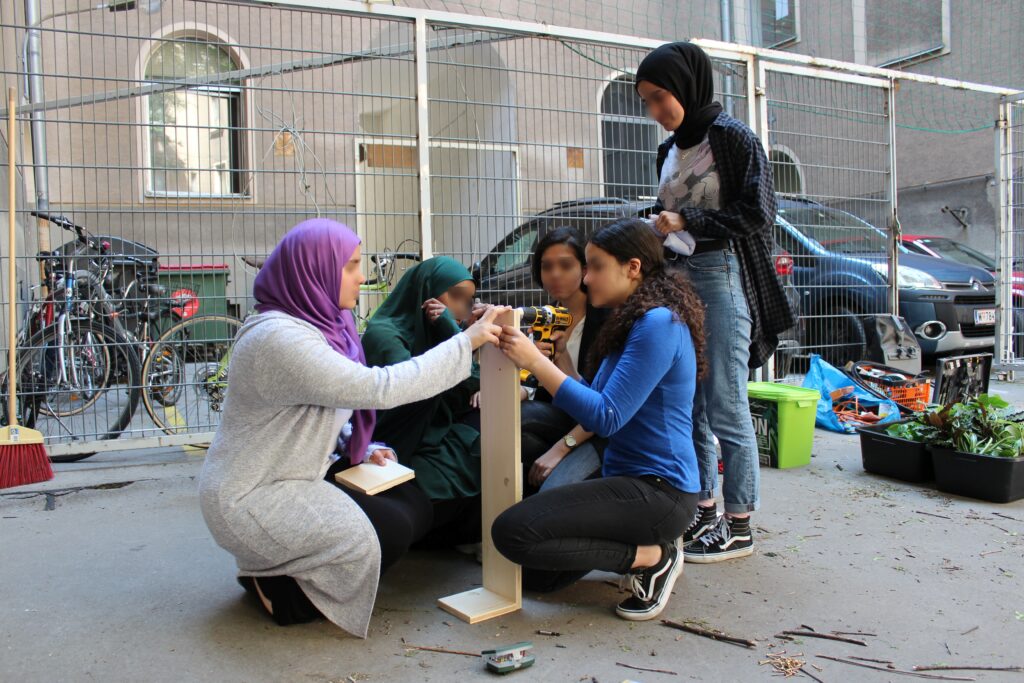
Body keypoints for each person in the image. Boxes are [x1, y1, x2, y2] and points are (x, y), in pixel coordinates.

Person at [198, 219, 504, 636]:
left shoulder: (323, 324)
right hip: (251, 494)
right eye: (351, 266)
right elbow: (379, 387)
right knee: (377, 540)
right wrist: (466, 341)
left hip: (294, 473)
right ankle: (275, 588)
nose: (362, 276)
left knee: (411, 506)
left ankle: (284, 559)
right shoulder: (278, 338)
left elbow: (321, 404)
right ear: (314, 270)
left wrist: (358, 442)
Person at [491, 218, 704, 621]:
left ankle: (652, 557)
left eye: (595, 267)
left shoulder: (659, 323)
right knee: (535, 575)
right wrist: (557, 360)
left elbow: (606, 417)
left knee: (511, 532)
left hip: (660, 491)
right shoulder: (632, 319)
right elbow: (590, 392)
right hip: (627, 481)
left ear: (633, 267)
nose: (586, 279)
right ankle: (640, 551)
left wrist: (534, 363)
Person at [635, 41, 795, 562]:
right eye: (648, 103)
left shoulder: (733, 138)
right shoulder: (669, 150)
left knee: (726, 404)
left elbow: (758, 214)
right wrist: (652, 220)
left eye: (661, 98)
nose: (657, 112)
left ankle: (741, 523)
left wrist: (688, 221)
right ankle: (704, 511)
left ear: (686, 86)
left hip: (721, 276)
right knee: (691, 404)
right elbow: (670, 209)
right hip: (677, 279)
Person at [361, 257, 488, 547]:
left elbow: (477, 383)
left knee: (496, 436)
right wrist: (459, 341)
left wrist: (450, 333)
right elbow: (411, 388)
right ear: (426, 291)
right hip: (393, 443)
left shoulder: (437, 330)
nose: (459, 309)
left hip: (432, 432)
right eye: (454, 296)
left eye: (467, 301)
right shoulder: (385, 335)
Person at [519, 226, 609, 493]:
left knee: (521, 421)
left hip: (596, 429)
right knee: (506, 424)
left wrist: (562, 448)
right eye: (547, 266)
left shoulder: (605, 320)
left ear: (584, 270)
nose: (555, 274)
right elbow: (537, 386)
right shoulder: (546, 320)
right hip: (564, 419)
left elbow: (604, 405)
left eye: (565, 265)